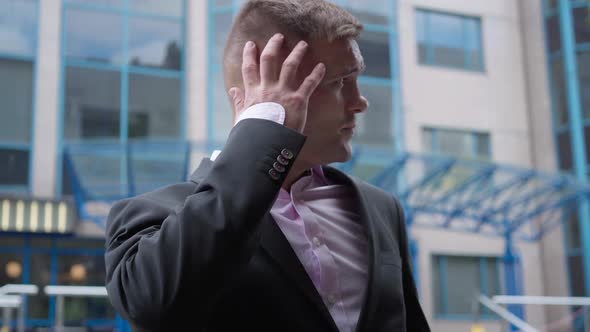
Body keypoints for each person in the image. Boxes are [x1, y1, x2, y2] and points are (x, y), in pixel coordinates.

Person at [104, 0, 430, 331]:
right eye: (340, 82)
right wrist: (264, 126)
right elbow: (154, 306)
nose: (360, 102)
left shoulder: (382, 208)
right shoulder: (151, 216)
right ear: (268, 90)